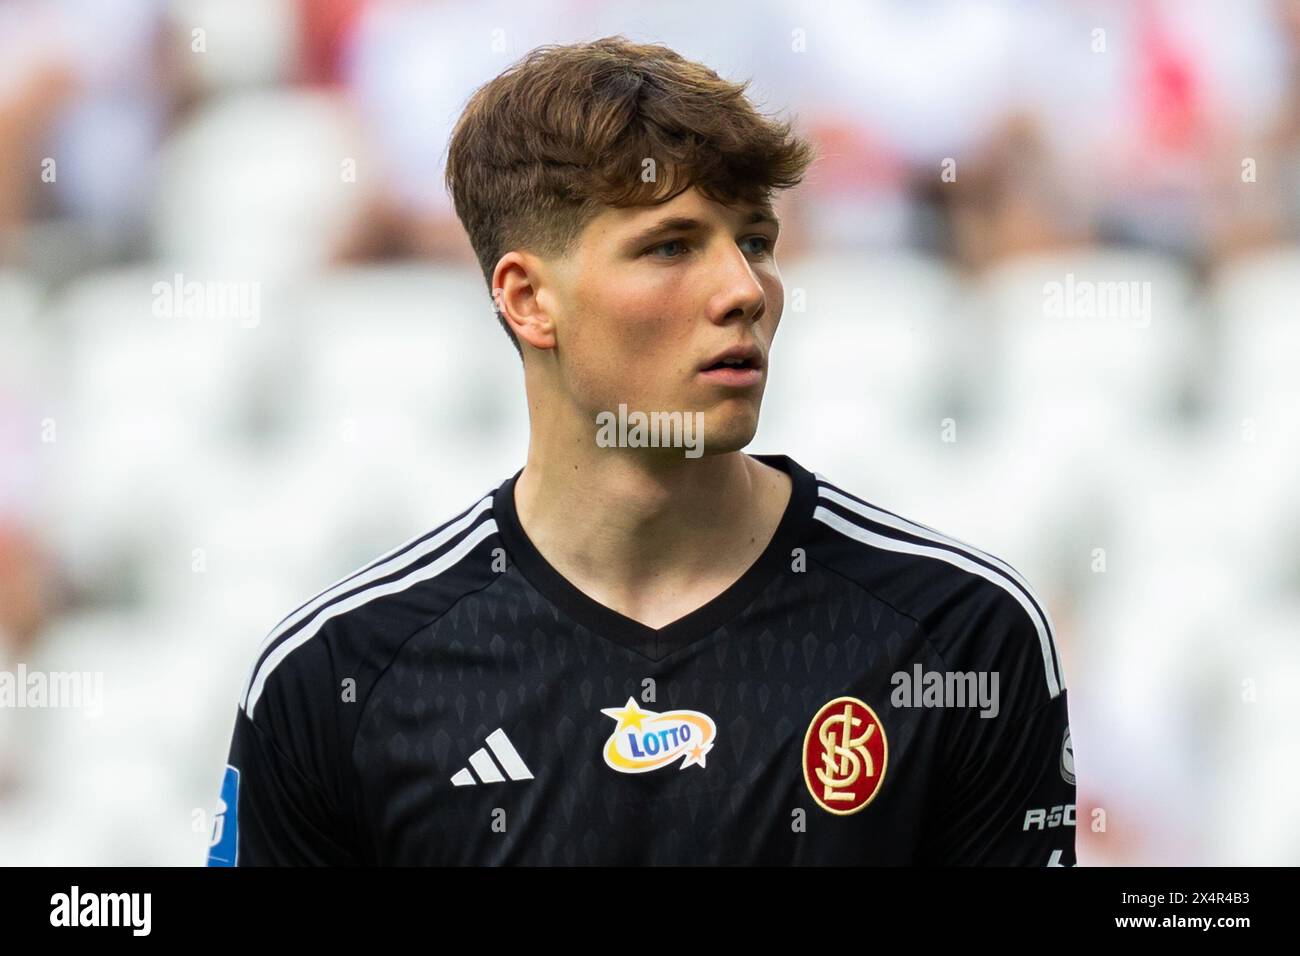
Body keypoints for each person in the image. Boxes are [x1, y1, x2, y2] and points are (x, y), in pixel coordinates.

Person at [208, 36, 1075, 866]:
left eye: (757, 241)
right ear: (527, 300)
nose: (746, 290)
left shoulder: (958, 639)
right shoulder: (339, 676)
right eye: (671, 247)